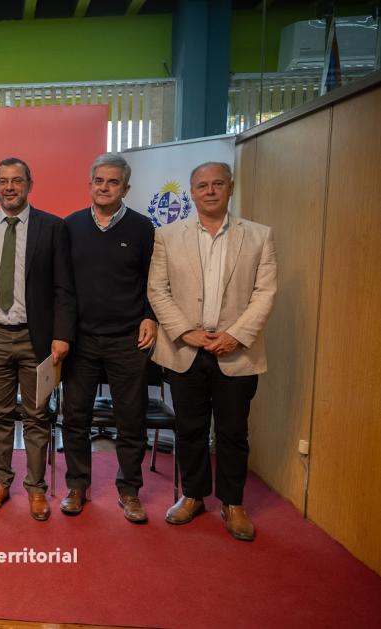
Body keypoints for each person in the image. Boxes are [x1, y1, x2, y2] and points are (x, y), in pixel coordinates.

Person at [148, 162, 277, 541]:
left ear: (230, 188)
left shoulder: (258, 236)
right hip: (185, 350)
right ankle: (192, 495)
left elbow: (265, 292)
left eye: (217, 184)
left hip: (236, 353)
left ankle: (233, 502)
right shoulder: (168, 236)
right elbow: (158, 289)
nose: (209, 191)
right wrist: (185, 331)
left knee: (233, 432)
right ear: (191, 192)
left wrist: (236, 335)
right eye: (202, 185)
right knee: (190, 429)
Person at [0, 157, 69, 521]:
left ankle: (37, 488)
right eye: (3, 181)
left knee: (38, 416)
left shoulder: (52, 227)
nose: (10, 187)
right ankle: (0, 483)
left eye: (17, 181)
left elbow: (63, 288)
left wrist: (61, 336)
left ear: (30, 184)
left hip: (37, 340)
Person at [60, 153, 157, 524]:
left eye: (113, 182)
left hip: (127, 340)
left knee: (131, 419)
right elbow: (63, 286)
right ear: (90, 184)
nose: (104, 187)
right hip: (81, 340)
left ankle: (130, 490)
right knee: (75, 417)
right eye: (99, 180)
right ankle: (77, 486)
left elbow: (155, 282)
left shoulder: (142, 229)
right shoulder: (70, 227)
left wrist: (151, 317)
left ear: (126, 188)